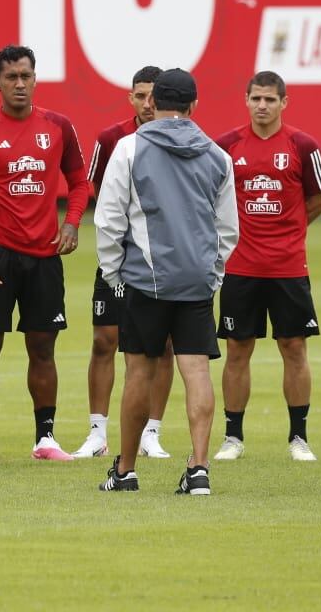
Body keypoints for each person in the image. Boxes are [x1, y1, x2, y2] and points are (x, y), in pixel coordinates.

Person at [94, 68, 238, 495]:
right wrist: (213, 272)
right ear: (194, 106)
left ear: (152, 103)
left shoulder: (129, 147)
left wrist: (113, 270)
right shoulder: (217, 154)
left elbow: (109, 217)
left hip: (146, 280)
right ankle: (198, 469)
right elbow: (227, 226)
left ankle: (125, 471)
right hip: (196, 279)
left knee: (138, 371)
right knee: (196, 370)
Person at [0, 46, 89, 464]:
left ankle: (45, 439)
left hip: (44, 256)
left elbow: (80, 182)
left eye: (26, 76)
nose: (19, 83)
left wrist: (72, 223)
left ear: (35, 79)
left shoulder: (59, 127)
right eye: (11, 76)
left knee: (43, 348)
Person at [213, 71, 321, 462]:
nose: (262, 106)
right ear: (246, 100)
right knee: (237, 349)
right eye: (256, 99)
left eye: (270, 99)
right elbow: (209, 199)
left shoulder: (303, 145)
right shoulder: (226, 146)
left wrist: (288, 233)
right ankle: (233, 438)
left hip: (288, 268)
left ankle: (299, 438)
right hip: (240, 267)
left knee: (293, 347)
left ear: (284, 102)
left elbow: (318, 200)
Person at [72, 66, 176, 460]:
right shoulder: (111, 138)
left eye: (154, 95)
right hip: (120, 257)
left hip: (163, 260)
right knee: (104, 340)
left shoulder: (179, 138)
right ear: (130, 98)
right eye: (140, 95)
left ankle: (151, 433)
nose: (147, 103)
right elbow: (94, 186)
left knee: (161, 346)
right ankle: (97, 433)